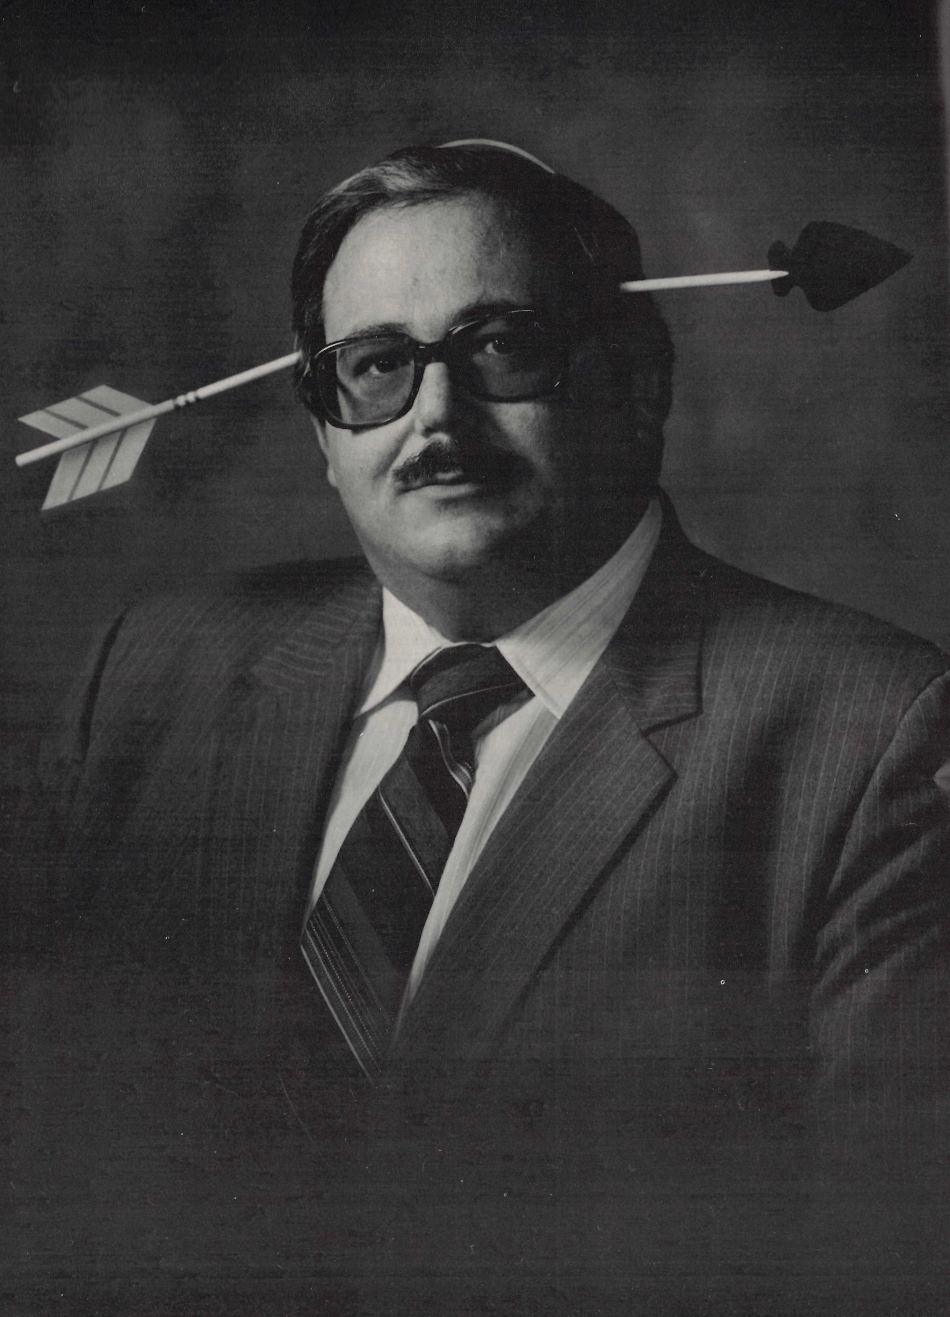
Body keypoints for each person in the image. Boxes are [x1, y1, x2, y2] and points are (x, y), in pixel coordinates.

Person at [10, 141, 950, 1315]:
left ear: (639, 379)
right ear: (322, 432)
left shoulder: (869, 735)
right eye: (376, 367)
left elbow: (884, 1256)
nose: (436, 418)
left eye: (503, 347)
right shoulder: (152, 676)